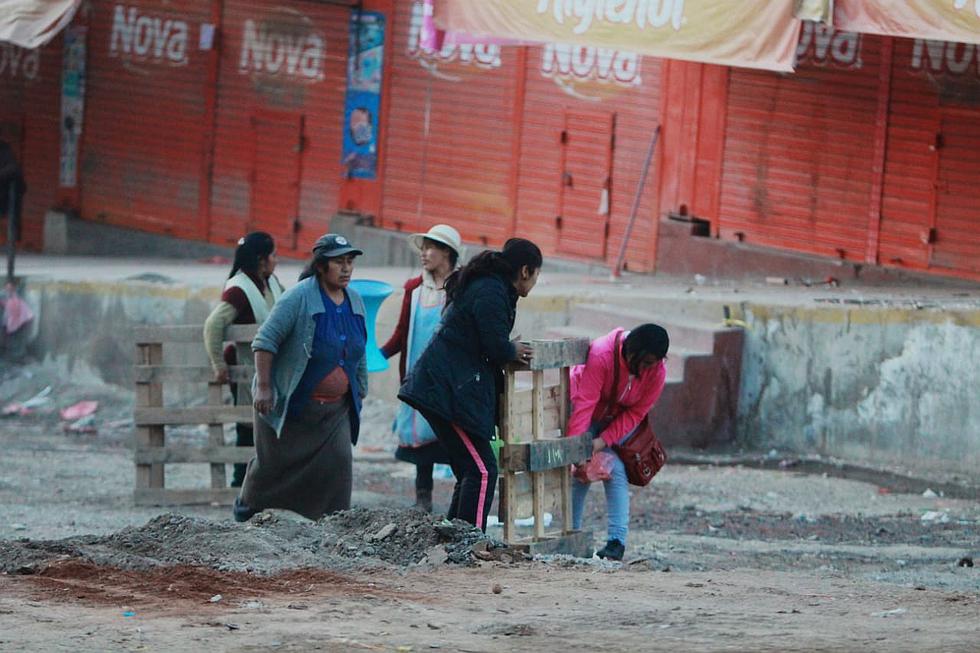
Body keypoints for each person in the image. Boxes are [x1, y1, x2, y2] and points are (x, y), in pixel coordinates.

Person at [398, 238, 542, 531]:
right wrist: (511, 350)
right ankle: (469, 542)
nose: (535, 281)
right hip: (447, 390)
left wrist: (505, 346)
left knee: (470, 470)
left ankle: (452, 537)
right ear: (526, 271)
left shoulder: (493, 286)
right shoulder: (491, 290)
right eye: (537, 274)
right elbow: (494, 345)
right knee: (483, 471)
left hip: (449, 388)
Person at [234, 234, 369, 522]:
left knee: (339, 463)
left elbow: (359, 347)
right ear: (321, 266)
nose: (346, 269)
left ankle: (335, 523)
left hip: (335, 411)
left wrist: (360, 385)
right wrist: (265, 388)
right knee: (273, 467)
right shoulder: (297, 297)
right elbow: (265, 341)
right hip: (291, 404)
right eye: (338, 262)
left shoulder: (354, 300)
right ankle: (247, 508)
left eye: (349, 262)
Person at [567, 324, 669, 560]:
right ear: (632, 354)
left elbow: (636, 413)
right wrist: (579, 447)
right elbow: (585, 402)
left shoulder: (657, 371)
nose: (649, 370)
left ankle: (616, 542)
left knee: (617, 470)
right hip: (585, 412)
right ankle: (571, 534)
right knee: (580, 472)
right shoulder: (602, 354)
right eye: (646, 363)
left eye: (654, 364)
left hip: (616, 419)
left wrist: (601, 442)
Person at [381, 224, 462, 512]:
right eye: (424, 248)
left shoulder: (461, 288)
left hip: (450, 379)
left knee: (454, 439)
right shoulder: (414, 290)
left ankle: (461, 500)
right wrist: (379, 354)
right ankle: (423, 498)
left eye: (431, 248)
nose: (424, 254)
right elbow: (402, 333)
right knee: (421, 439)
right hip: (418, 378)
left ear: (447, 253)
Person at [203, 232, 284, 487]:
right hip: (249, 372)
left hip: (275, 374)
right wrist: (219, 365)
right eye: (273, 255)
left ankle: (263, 487)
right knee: (248, 432)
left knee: (270, 434)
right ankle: (241, 487)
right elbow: (213, 325)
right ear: (262, 260)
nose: (276, 260)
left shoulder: (271, 283)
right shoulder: (239, 289)